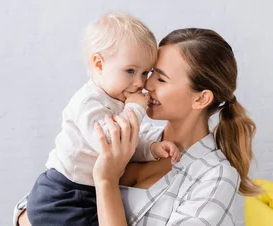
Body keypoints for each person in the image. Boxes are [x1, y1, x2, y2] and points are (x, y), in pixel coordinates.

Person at [15, 27, 260, 226]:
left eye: (161, 78)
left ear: (200, 98)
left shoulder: (215, 176)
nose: (145, 84)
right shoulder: (138, 134)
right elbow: (39, 201)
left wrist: (107, 181)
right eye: (150, 73)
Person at [24, 12, 180, 226]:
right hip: (64, 192)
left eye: (145, 73)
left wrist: (150, 149)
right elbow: (110, 144)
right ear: (98, 64)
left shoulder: (118, 100)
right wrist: (135, 107)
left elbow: (127, 146)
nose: (139, 83)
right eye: (130, 70)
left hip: (89, 191)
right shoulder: (89, 102)